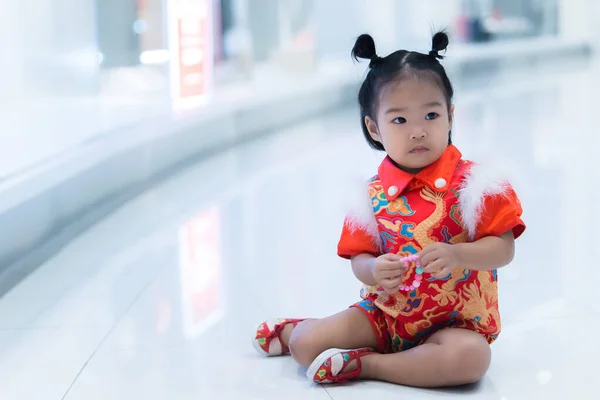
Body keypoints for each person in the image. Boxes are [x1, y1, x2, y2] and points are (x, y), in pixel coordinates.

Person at [253, 31, 526, 388]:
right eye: (399, 120)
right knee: (306, 348)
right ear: (374, 128)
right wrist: (373, 269)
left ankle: (367, 365)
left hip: (458, 326)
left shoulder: (476, 185)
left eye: (431, 115)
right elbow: (359, 261)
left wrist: (459, 254)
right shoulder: (370, 196)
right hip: (387, 316)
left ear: (451, 115)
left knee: (471, 361)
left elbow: (503, 249)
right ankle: (297, 333)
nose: (417, 131)